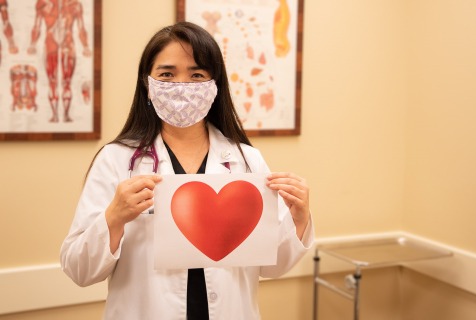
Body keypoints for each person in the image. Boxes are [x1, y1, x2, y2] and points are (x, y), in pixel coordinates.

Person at [60, 21, 313, 320]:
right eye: (167, 74)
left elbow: (272, 266)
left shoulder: (246, 160)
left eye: (197, 75)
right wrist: (113, 218)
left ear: (214, 85)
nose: (182, 86)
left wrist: (299, 219)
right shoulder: (116, 159)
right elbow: (79, 270)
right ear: (147, 83)